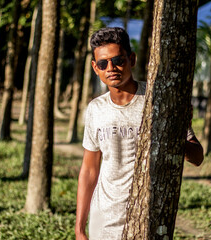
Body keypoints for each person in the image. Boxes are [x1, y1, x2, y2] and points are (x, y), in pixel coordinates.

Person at [75, 27, 203, 240]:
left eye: (118, 60)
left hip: (147, 217)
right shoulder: (95, 109)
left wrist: (173, 134)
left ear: (131, 59)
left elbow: (197, 157)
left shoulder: (159, 101)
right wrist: (80, 228)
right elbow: (89, 170)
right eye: (103, 63)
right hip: (103, 220)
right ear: (95, 68)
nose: (111, 68)